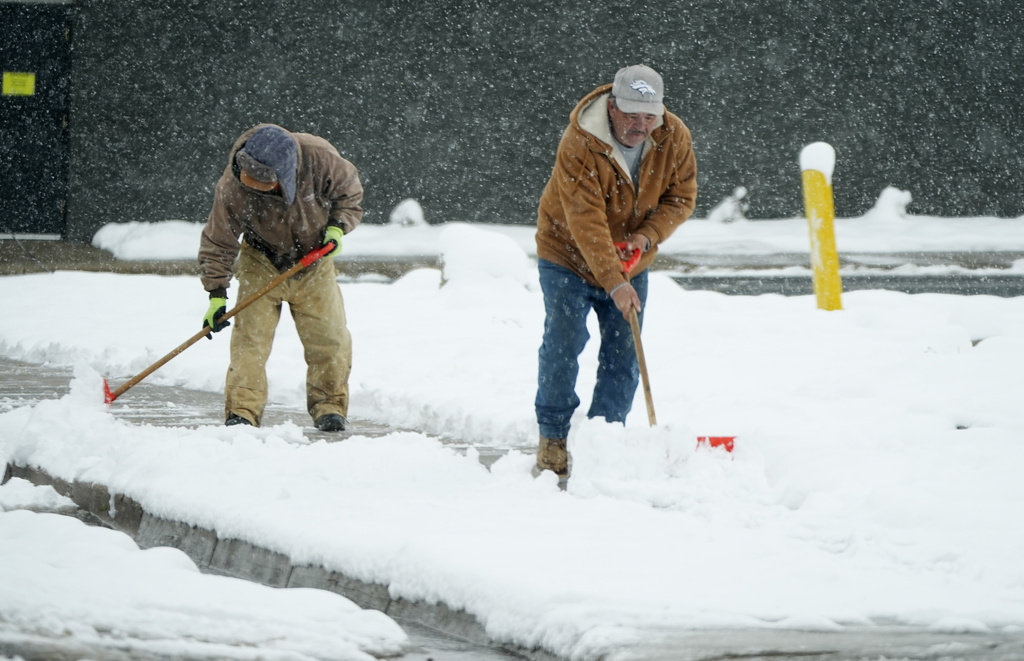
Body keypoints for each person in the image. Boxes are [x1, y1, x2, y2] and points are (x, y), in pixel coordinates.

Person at [533, 64, 698, 477]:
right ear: (612, 107)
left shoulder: (673, 135)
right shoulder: (580, 142)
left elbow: (682, 197)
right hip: (567, 254)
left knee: (624, 351)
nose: (640, 125)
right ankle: (553, 435)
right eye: (631, 115)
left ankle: (607, 437)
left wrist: (647, 235)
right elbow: (585, 221)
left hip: (630, 255)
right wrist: (615, 282)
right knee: (564, 341)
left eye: (649, 116)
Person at [198, 123, 362, 432]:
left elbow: (350, 196)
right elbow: (219, 240)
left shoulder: (321, 159)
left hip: (314, 260)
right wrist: (216, 294)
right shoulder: (231, 186)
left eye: (266, 184)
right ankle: (242, 413)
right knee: (250, 342)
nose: (254, 189)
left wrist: (337, 227)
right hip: (261, 259)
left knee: (329, 339)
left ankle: (329, 407)